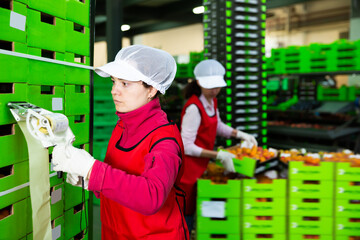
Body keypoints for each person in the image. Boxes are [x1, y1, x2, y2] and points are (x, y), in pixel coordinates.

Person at [52, 45, 189, 239]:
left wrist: (94, 170)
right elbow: (122, 178)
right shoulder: (122, 126)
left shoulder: (164, 140)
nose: (114, 91)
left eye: (125, 84)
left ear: (151, 89)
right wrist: (93, 182)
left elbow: (152, 197)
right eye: (113, 81)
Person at [178, 59, 258, 234]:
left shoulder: (211, 101)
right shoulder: (194, 108)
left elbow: (217, 125)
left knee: (201, 212)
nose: (215, 90)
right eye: (210, 86)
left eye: (217, 86)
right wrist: (218, 155)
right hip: (189, 170)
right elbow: (186, 145)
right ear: (199, 82)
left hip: (202, 166)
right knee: (187, 214)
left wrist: (240, 134)